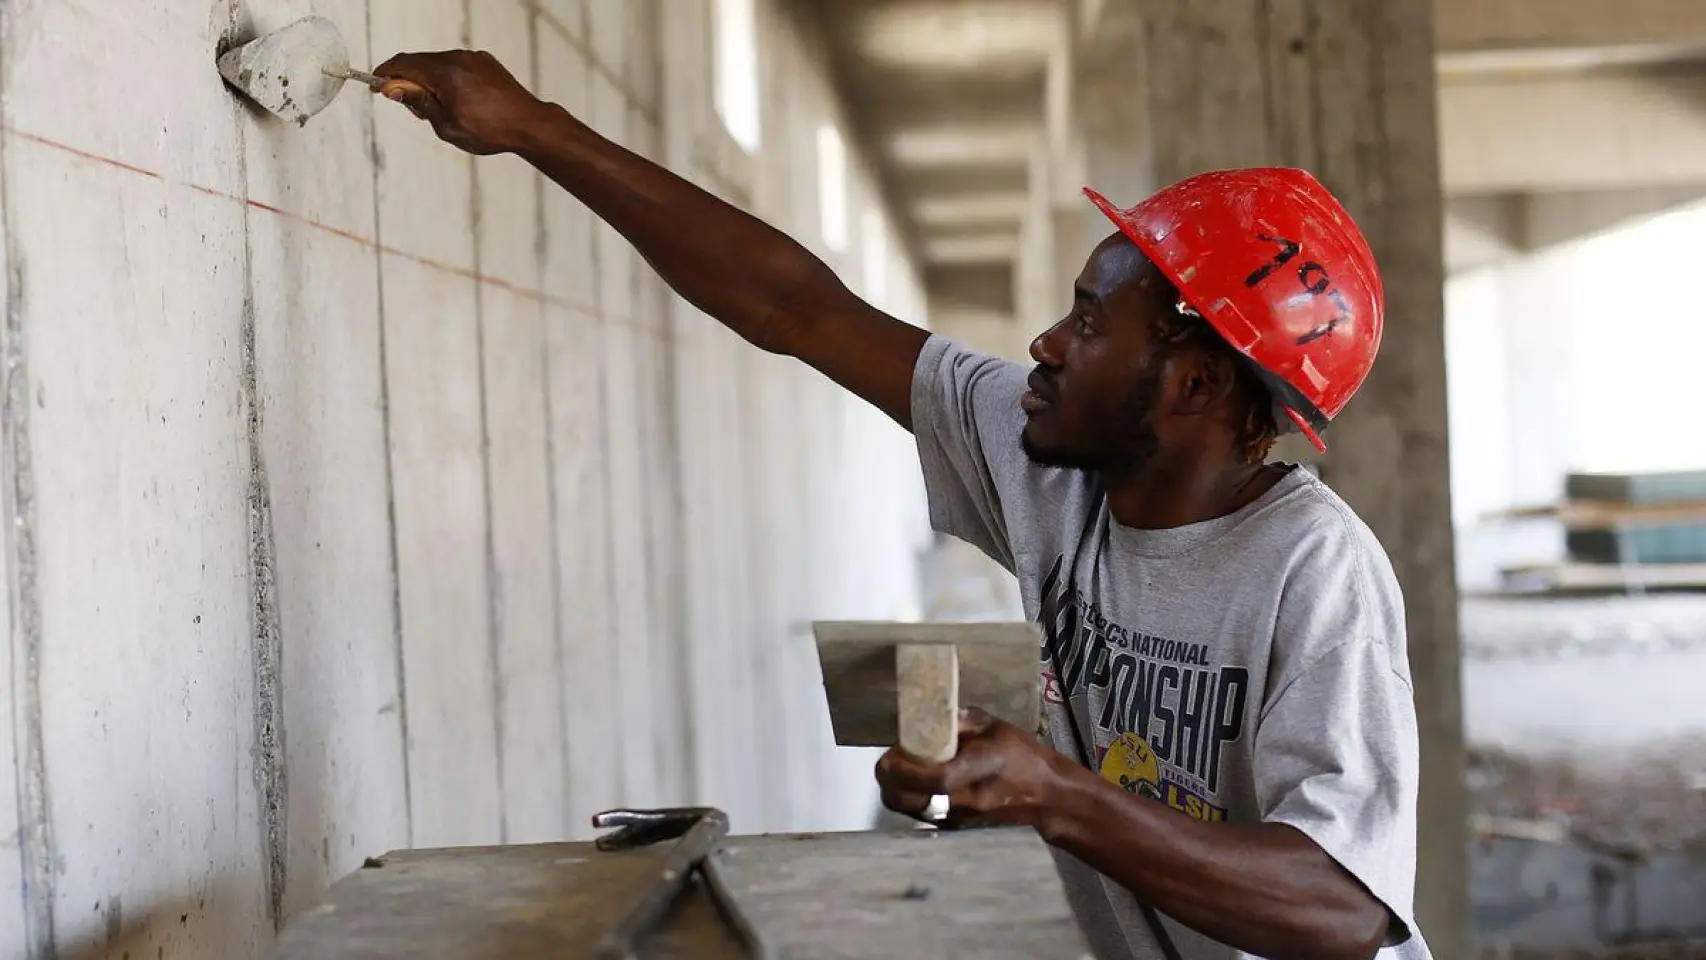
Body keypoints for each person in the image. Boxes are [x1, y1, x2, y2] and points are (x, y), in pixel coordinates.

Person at [372, 48, 1432, 960]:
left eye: (1087, 323)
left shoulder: (1311, 572)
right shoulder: (1051, 463)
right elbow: (797, 307)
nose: (1045, 345)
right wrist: (535, 128)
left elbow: (1340, 907)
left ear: (1194, 384)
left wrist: (1054, 795)